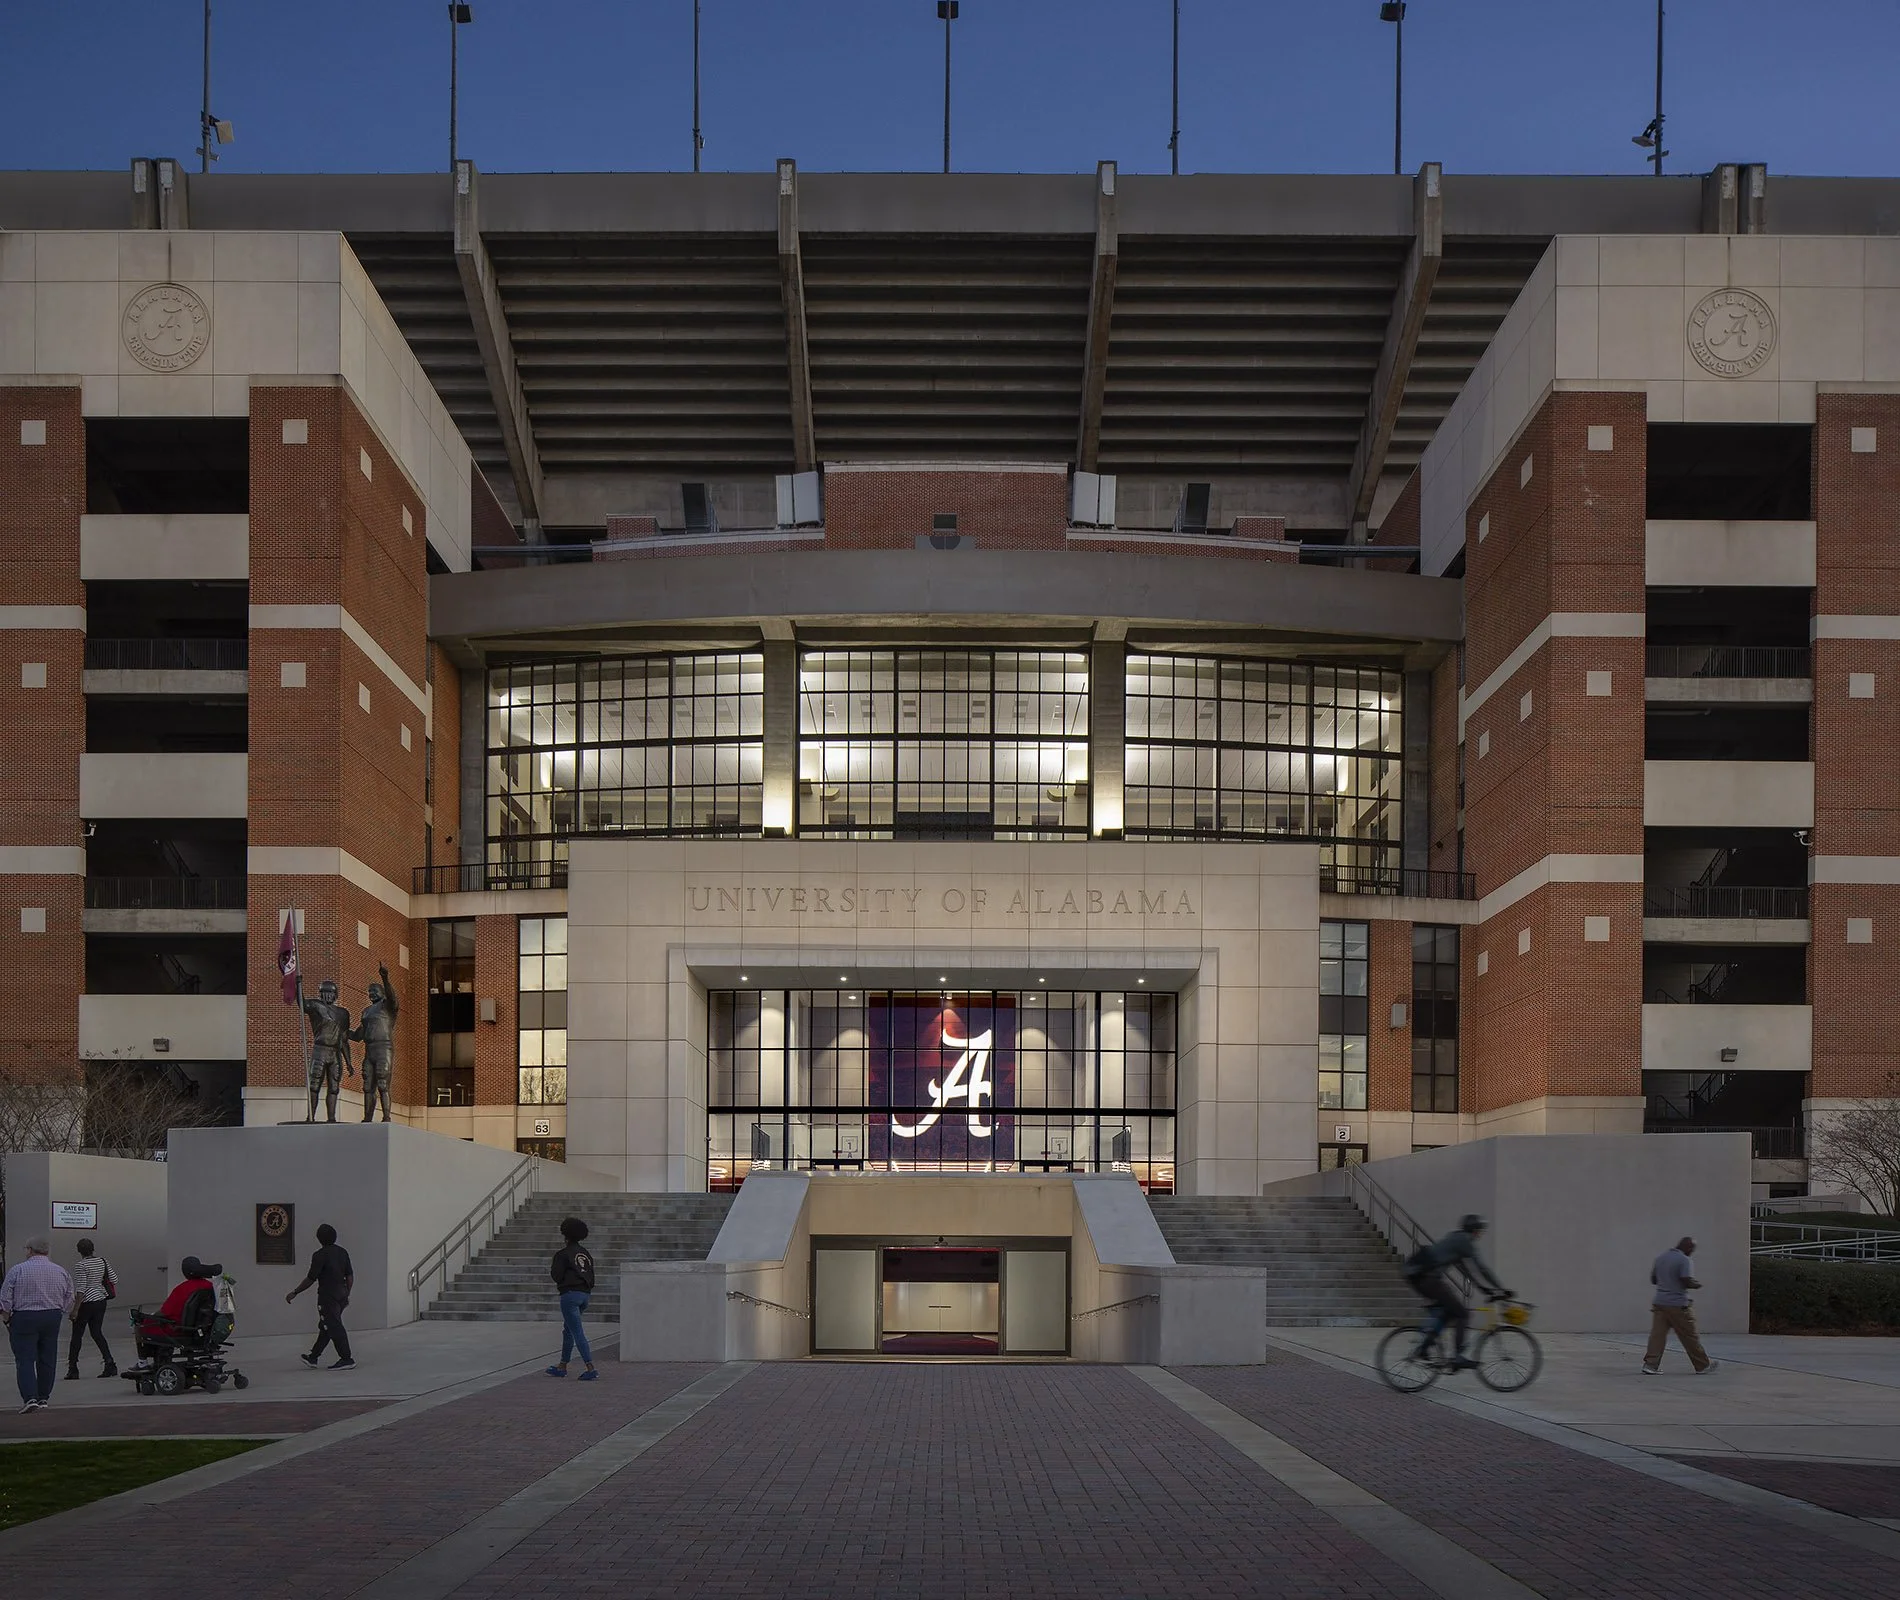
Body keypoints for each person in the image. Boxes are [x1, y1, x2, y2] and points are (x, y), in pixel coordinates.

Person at [1403, 1213, 1511, 1369]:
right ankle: (1458, 1356)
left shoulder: (1456, 1238)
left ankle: (1424, 1348)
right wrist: (1501, 1288)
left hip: (1421, 1278)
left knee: (1449, 1312)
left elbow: (1466, 1271)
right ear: (1474, 1230)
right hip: (1428, 1279)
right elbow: (1481, 1268)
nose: (1481, 1234)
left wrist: (1484, 1289)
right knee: (1463, 1313)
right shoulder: (1464, 1241)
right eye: (1480, 1231)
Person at [1, 1236, 74, 1413]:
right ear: (47, 1251)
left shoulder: (17, 1270)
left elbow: (5, 1297)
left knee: (25, 1359)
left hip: (24, 1317)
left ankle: (30, 1397)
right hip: (51, 1316)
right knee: (47, 1358)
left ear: (29, 1250)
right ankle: (43, 1397)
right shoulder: (60, 1271)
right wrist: (60, 1311)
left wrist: (7, 1317)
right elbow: (69, 1294)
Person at [1644, 1235, 1718, 1376]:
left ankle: (1650, 1365)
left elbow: (1653, 1279)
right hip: (1678, 1304)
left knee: (1657, 1336)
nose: (1692, 1252)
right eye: (1692, 1249)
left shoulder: (1661, 1257)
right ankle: (1702, 1365)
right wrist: (1696, 1284)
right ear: (1688, 1247)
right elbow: (1685, 1280)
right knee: (1689, 1336)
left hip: (1660, 1302)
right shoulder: (1684, 1260)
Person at [287, 1223, 355, 1370]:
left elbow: (310, 1279)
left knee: (334, 1326)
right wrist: (347, 1293)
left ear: (319, 1239)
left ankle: (346, 1358)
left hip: (327, 1296)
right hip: (341, 1294)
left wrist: (295, 1292)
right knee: (327, 1325)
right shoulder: (343, 1252)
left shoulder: (319, 1255)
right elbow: (349, 1276)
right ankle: (313, 1357)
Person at [545, 1217, 598, 1381]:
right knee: (568, 1330)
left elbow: (556, 1275)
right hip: (584, 1294)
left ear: (565, 1235)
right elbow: (591, 1274)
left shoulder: (562, 1254)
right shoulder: (585, 1254)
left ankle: (590, 1367)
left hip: (569, 1295)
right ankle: (562, 1365)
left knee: (577, 1331)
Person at [350, 962, 400, 1122]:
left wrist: (385, 977)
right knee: (367, 1087)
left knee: (383, 1084)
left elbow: (392, 997)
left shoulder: (387, 1007)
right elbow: (358, 1035)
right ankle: (367, 1118)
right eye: (369, 991)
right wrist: (340, 1031)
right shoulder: (366, 1012)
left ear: (382, 993)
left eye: (374, 991)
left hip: (383, 1049)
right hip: (369, 1050)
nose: (371, 993)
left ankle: (386, 1117)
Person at [65, 1238, 118, 1380]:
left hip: (87, 1303)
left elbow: (81, 1288)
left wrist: (75, 1310)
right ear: (93, 1248)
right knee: (96, 1333)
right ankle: (109, 1362)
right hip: (101, 1300)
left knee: (77, 1335)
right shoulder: (102, 1261)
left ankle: (73, 1368)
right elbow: (114, 1279)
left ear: (79, 1251)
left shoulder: (81, 1265)